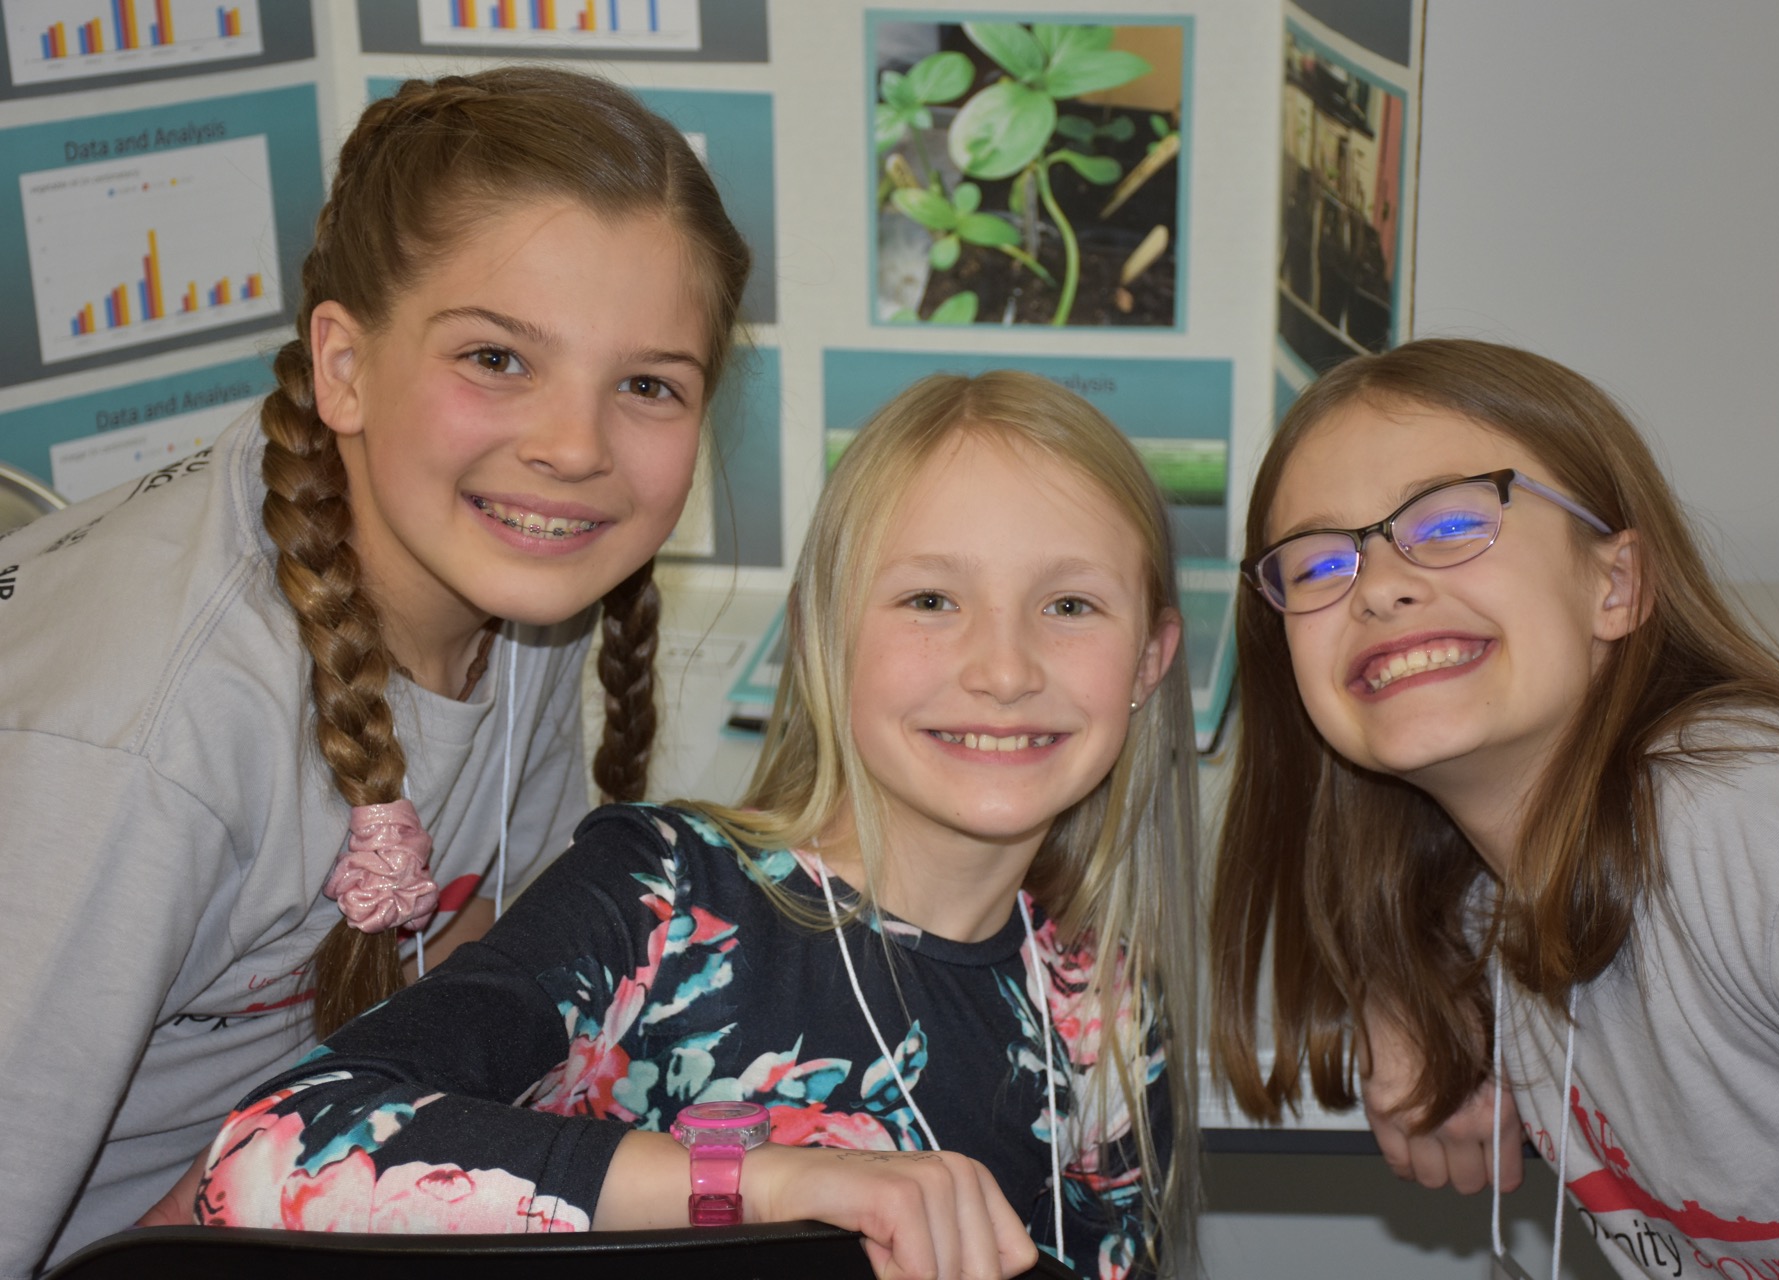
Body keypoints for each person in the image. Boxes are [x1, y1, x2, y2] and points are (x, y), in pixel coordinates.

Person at [191, 371, 1204, 1280]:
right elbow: (272, 1154)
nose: (1006, 669)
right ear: (820, 635)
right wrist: (756, 1182)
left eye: (1071, 605)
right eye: (931, 598)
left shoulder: (1102, 1009)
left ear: (1151, 662)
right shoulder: (665, 898)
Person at [0, 67, 750, 1276]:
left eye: (647, 384)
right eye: (497, 357)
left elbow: (480, 974)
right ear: (343, 366)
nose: (573, 446)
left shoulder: (512, 563)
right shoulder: (137, 746)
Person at [1211, 339, 1779, 1278]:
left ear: (1616, 585)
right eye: (1315, 567)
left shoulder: (1754, 818)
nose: (1378, 586)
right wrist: (1408, 992)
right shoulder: (1493, 889)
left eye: (1452, 521)